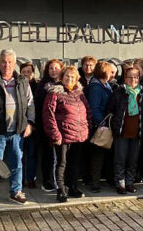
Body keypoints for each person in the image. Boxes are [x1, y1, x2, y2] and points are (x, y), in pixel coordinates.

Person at [0, 49, 35, 209]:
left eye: (10, 61)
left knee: (17, 162)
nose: (6, 64)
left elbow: (30, 104)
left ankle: (16, 192)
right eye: (3, 61)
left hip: (17, 131)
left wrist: (30, 123)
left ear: (15, 63)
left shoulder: (23, 81)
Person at [43, 66, 91, 202]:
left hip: (78, 135)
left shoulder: (79, 93)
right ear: (61, 77)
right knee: (61, 163)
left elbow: (87, 112)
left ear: (76, 79)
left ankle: (73, 187)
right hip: (62, 136)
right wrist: (55, 134)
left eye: (72, 77)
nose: (69, 79)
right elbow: (48, 115)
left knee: (74, 163)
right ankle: (61, 190)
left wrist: (87, 128)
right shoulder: (54, 93)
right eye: (67, 76)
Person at [107, 67, 143, 194]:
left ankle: (129, 182)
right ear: (125, 79)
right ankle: (120, 183)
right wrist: (115, 126)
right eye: (130, 77)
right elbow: (110, 110)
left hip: (137, 132)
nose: (133, 80)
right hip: (122, 132)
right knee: (120, 159)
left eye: (136, 77)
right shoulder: (119, 92)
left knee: (133, 160)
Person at [34, 59, 64, 192]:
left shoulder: (65, 84)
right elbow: (38, 106)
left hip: (63, 126)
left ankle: (60, 181)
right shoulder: (42, 86)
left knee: (61, 157)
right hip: (46, 126)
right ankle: (48, 181)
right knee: (48, 155)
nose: (54, 70)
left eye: (56, 68)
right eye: (51, 68)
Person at [85, 61, 114, 192]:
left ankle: (105, 178)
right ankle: (94, 182)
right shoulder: (96, 87)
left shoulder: (105, 85)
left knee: (104, 154)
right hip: (100, 127)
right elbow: (94, 108)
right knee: (97, 155)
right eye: (110, 71)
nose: (112, 74)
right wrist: (102, 124)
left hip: (106, 125)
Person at [19, 62, 38, 189]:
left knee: (32, 154)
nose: (26, 74)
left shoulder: (38, 86)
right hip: (19, 125)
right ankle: (19, 180)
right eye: (24, 71)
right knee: (18, 155)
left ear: (33, 73)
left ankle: (30, 179)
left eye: (29, 72)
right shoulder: (17, 84)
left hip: (33, 126)